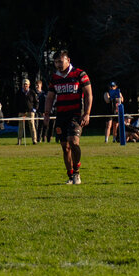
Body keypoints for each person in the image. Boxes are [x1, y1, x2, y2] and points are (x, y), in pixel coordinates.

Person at [45, 50, 93, 185]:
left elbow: (89, 94)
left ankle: (77, 171)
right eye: (55, 62)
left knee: (73, 142)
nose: (58, 65)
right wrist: (47, 113)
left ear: (68, 60)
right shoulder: (54, 78)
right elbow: (50, 97)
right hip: (61, 115)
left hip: (76, 114)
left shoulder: (80, 74)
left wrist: (87, 113)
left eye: (60, 61)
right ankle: (71, 176)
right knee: (65, 147)